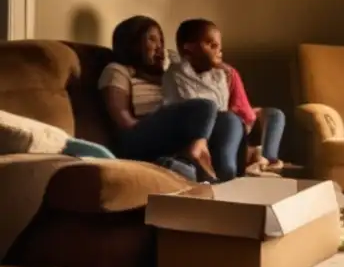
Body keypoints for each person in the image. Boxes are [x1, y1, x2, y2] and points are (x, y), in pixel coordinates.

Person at [99, 16, 218, 180]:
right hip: (138, 135)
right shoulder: (118, 71)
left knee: (226, 119)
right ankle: (192, 154)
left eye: (161, 41)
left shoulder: (169, 74)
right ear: (132, 43)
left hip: (172, 134)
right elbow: (123, 121)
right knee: (206, 106)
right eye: (152, 40)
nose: (160, 47)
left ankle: (179, 164)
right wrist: (166, 124)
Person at [163, 18, 246, 182]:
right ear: (189, 48)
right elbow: (192, 109)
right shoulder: (176, 74)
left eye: (219, 46)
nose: (218, 51)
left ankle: (224, 171)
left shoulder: (220, 75)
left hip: (216, 134)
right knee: (221, 115)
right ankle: (211, 170)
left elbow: (222, 107)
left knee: (233, 120)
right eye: (211, 45)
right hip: (189, 135)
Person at [224, 63, 286, 174]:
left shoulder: (227, 72)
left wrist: (251, 114)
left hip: (243, 124)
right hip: (226, 129)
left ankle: (268, 160)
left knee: (275, 114)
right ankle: (259, 161)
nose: (219, 52)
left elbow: (243, 110)